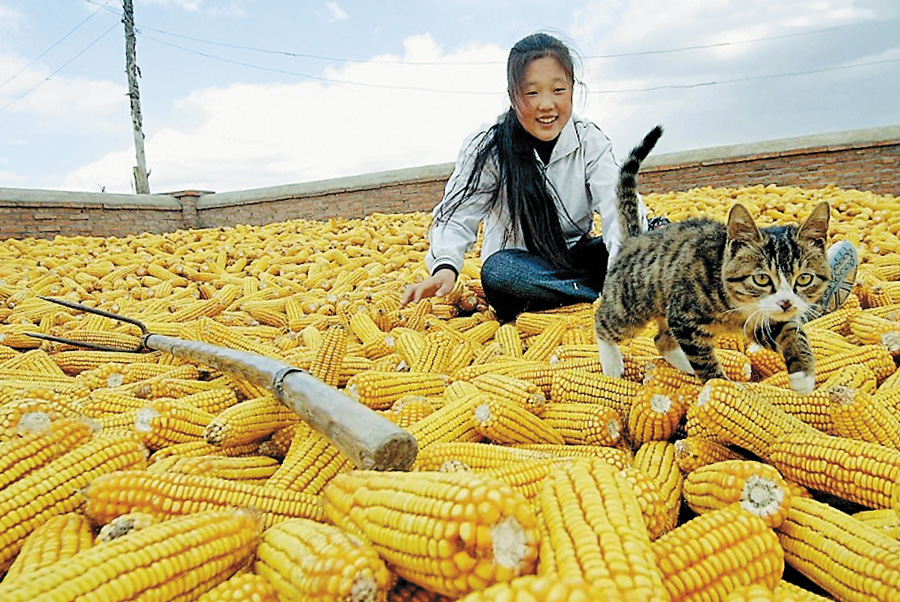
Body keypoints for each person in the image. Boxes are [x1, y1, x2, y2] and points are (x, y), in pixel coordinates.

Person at [400, 32, 858, 323]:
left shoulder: (589, 140)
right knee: (500, 273)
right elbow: (457, 216)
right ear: (512, 95)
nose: (547, 104)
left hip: (581, 260)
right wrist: (444, 268)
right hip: (529, 269)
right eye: (532, 92)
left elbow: (617, 209)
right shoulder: (488, 147)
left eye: (559, 90)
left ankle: (782, 291)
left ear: (573, 91)